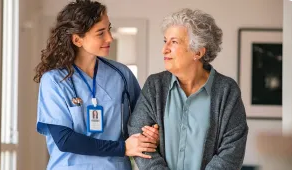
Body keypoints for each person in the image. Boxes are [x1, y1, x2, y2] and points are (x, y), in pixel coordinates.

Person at [33, 1, 159, 169]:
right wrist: (123, 148)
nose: (110, 38)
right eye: (101, 33)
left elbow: (143, 120)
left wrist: (151, 133)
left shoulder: (122, 74)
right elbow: (65, 140)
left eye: (109, 29)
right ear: (77, 39)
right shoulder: (55, 80)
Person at [128, 8, 249, 170]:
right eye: (165, 41)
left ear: (198, 52)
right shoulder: (155, 85)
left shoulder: (227, 91)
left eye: (174, 42)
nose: (164, 49)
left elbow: (231, 152)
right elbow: (138, 136)